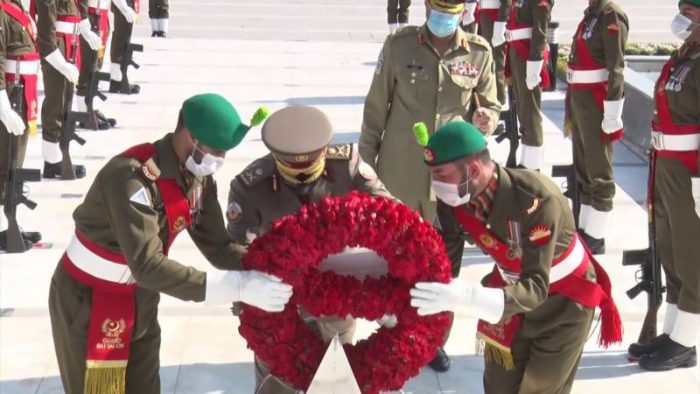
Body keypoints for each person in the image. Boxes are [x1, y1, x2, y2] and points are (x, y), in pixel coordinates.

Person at [48, 94, 293, 394]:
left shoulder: (197, 179)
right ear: (189, 136)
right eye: (214, 150)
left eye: (224, 153)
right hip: (88, 298)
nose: (218, 160)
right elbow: (148, 265)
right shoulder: (132, 179)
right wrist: (238, 286)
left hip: (140, 300)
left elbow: (218, 246)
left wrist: (272, 269)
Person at [410, 120, 622, 393]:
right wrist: (420, 299)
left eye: (441, 174)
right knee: (498, 385)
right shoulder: (457, 198)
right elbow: (445, 261)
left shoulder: (535, 200)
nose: (436, 184)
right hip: (510, 296)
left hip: (564, 303)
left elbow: (536, 286)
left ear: (473, 169)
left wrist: (467, 298)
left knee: (539, 388)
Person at [226, 105, 394, 393]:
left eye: (310, 169)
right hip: (278, 304)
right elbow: (239, 254)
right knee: (277, 384)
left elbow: (392, 214)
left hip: (335, 302)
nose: (303, 178)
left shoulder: (347, 166)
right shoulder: (251, 186)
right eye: (293, 171)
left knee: (335, 381)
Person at [360, 0, 500, 224]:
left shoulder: (478, 52)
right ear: (426, 6)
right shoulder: (399, 46)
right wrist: (364, 169)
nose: (443, 18)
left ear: (462, 12)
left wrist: (486, 119)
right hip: (401, 175)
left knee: (445, 255)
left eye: (449, 13)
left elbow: (491, 106)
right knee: (395, 251)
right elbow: (375, 108)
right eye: (438, 11)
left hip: (453, 180)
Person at [627, 0, 700, 372]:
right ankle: (673, 334)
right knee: (670, 251)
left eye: (690, 11)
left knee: (692, 257)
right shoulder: (688, 53)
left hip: (691, 171)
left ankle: (687, 342)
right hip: (669, 166)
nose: (682, 17)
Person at [564, 0, 628, 254]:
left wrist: (612, 112)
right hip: (581, 100)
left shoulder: (612, 15)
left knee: (598, 171)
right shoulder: (593, 13)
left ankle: (597, 235)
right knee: (584, 169)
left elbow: (616, 68)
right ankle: (586, 228)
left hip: (596, 103)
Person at [0, 0, 41, 251]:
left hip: (23, 93)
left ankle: (9, 224)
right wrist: (2, 103)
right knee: (5, 163)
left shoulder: (14, 5)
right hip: (11, 95)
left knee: (14, 163)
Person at [34, 0, 91, 179]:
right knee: (56, 103)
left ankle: (58, 155)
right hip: (58, 48)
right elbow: (46, 35)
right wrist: (61, 63)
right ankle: (52, 161)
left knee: (64, 104)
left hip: (70, 44)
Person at [506, 0, 553, 170]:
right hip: (517, 54)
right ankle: (526, 162)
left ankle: (532, 167)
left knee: (530, 114)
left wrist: (534, 67)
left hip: (528, 58)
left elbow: (540, 33)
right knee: (523, 112)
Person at [75, 0, 115, 130]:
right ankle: (84, 112)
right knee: (88, 66)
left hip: (101, 14)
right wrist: (83, 17)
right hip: (90, 15)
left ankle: (93, 108)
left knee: (97, 64)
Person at [109, 0, 140, 94]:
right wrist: (124, 7)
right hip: (122, 4)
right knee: (121, 41)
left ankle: (117, 79)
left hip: (125, 4)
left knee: (123, 40)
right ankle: (116, 80)